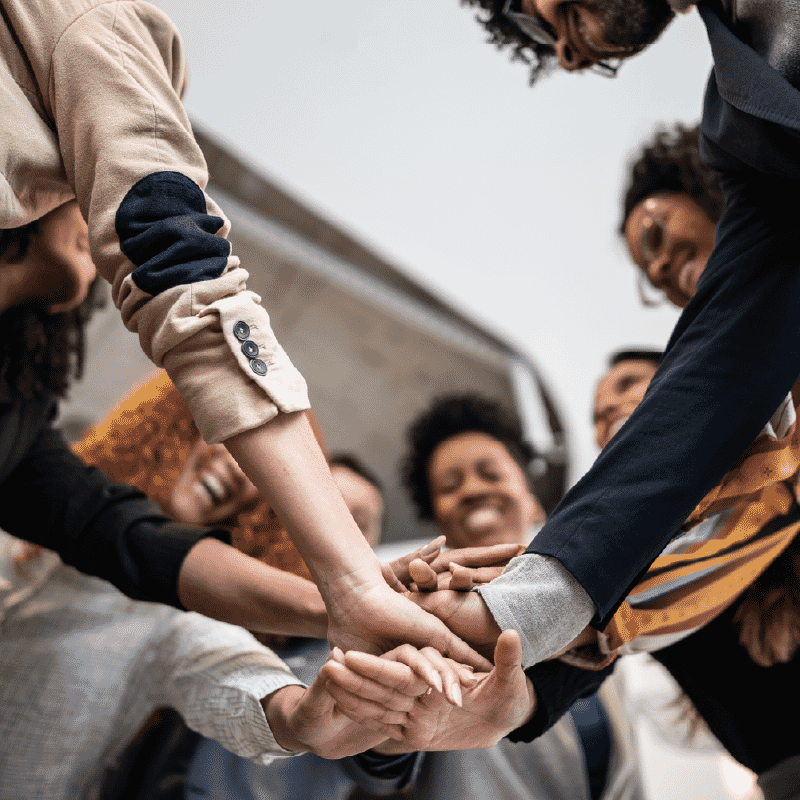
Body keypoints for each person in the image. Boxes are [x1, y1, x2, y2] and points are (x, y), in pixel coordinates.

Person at [0, 0, 485, 666]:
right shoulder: (94, 26)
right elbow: (176, 253)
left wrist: (338, 599)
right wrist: (348, 577)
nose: (90, 176)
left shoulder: (15, 427)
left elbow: (117, 533)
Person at [415, 0, 800, 671]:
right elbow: (716, 389)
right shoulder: (750, 145)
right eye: (649, 273)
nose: (563, 53)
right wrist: (521, 613)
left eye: (528, 15)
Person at [341, 395, 643, 800]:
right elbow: (377, 772)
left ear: (533, 500)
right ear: (438, 521)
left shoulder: (598, 603)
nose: (472, 491)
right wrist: (388, 733)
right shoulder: (421, 618)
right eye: (449, 487)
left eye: (490, 473)